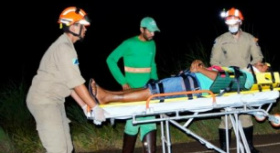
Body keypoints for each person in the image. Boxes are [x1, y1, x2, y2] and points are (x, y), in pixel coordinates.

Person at [26, 7, 106, 153]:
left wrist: (83, 107)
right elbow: (77, 83)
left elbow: (70, 85)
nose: (86, 30)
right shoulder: (63, 48)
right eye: (83, 26)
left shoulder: (67, 47)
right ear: (72, 26)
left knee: (68, 148)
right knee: (56, 149)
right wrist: (95, 106)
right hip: (44, 101)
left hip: (55, 100)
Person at [106, 17, 162, 153]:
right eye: (149, 31)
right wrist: (122, 81)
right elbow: (110, 60)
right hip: (132, 91)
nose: (152, 34)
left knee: (150, 120)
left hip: (148, 90)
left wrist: (156, 83)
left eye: (154, 31)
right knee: (133, 122)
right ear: (141, 29)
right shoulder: (129, 43)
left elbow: (152, 65)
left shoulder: (152, 44)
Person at [210, 7, 266, 153]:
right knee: (225, 116)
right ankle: (224, 150)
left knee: (245, 115)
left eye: (235, 21)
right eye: (229, 22)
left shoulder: (249, 39)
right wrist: (223, 71)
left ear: (240, 22)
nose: (232, 24)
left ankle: (250, 147)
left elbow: (258, 58)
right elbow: (214, 62)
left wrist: (251, 69)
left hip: (245, 80)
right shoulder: (220, 40)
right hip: (227, 81)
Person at [89, 60, 268, 104]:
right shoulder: (243, 72)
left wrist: (201, 70)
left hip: (193, 85)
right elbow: (219, 75)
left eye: (264, 66)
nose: (261, 63)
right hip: (193, 80)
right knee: (150, 88)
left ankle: (107, 97)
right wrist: (201, 66)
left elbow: (225, 82)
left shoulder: (249, 79)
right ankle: (108, 94)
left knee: (153, 91)